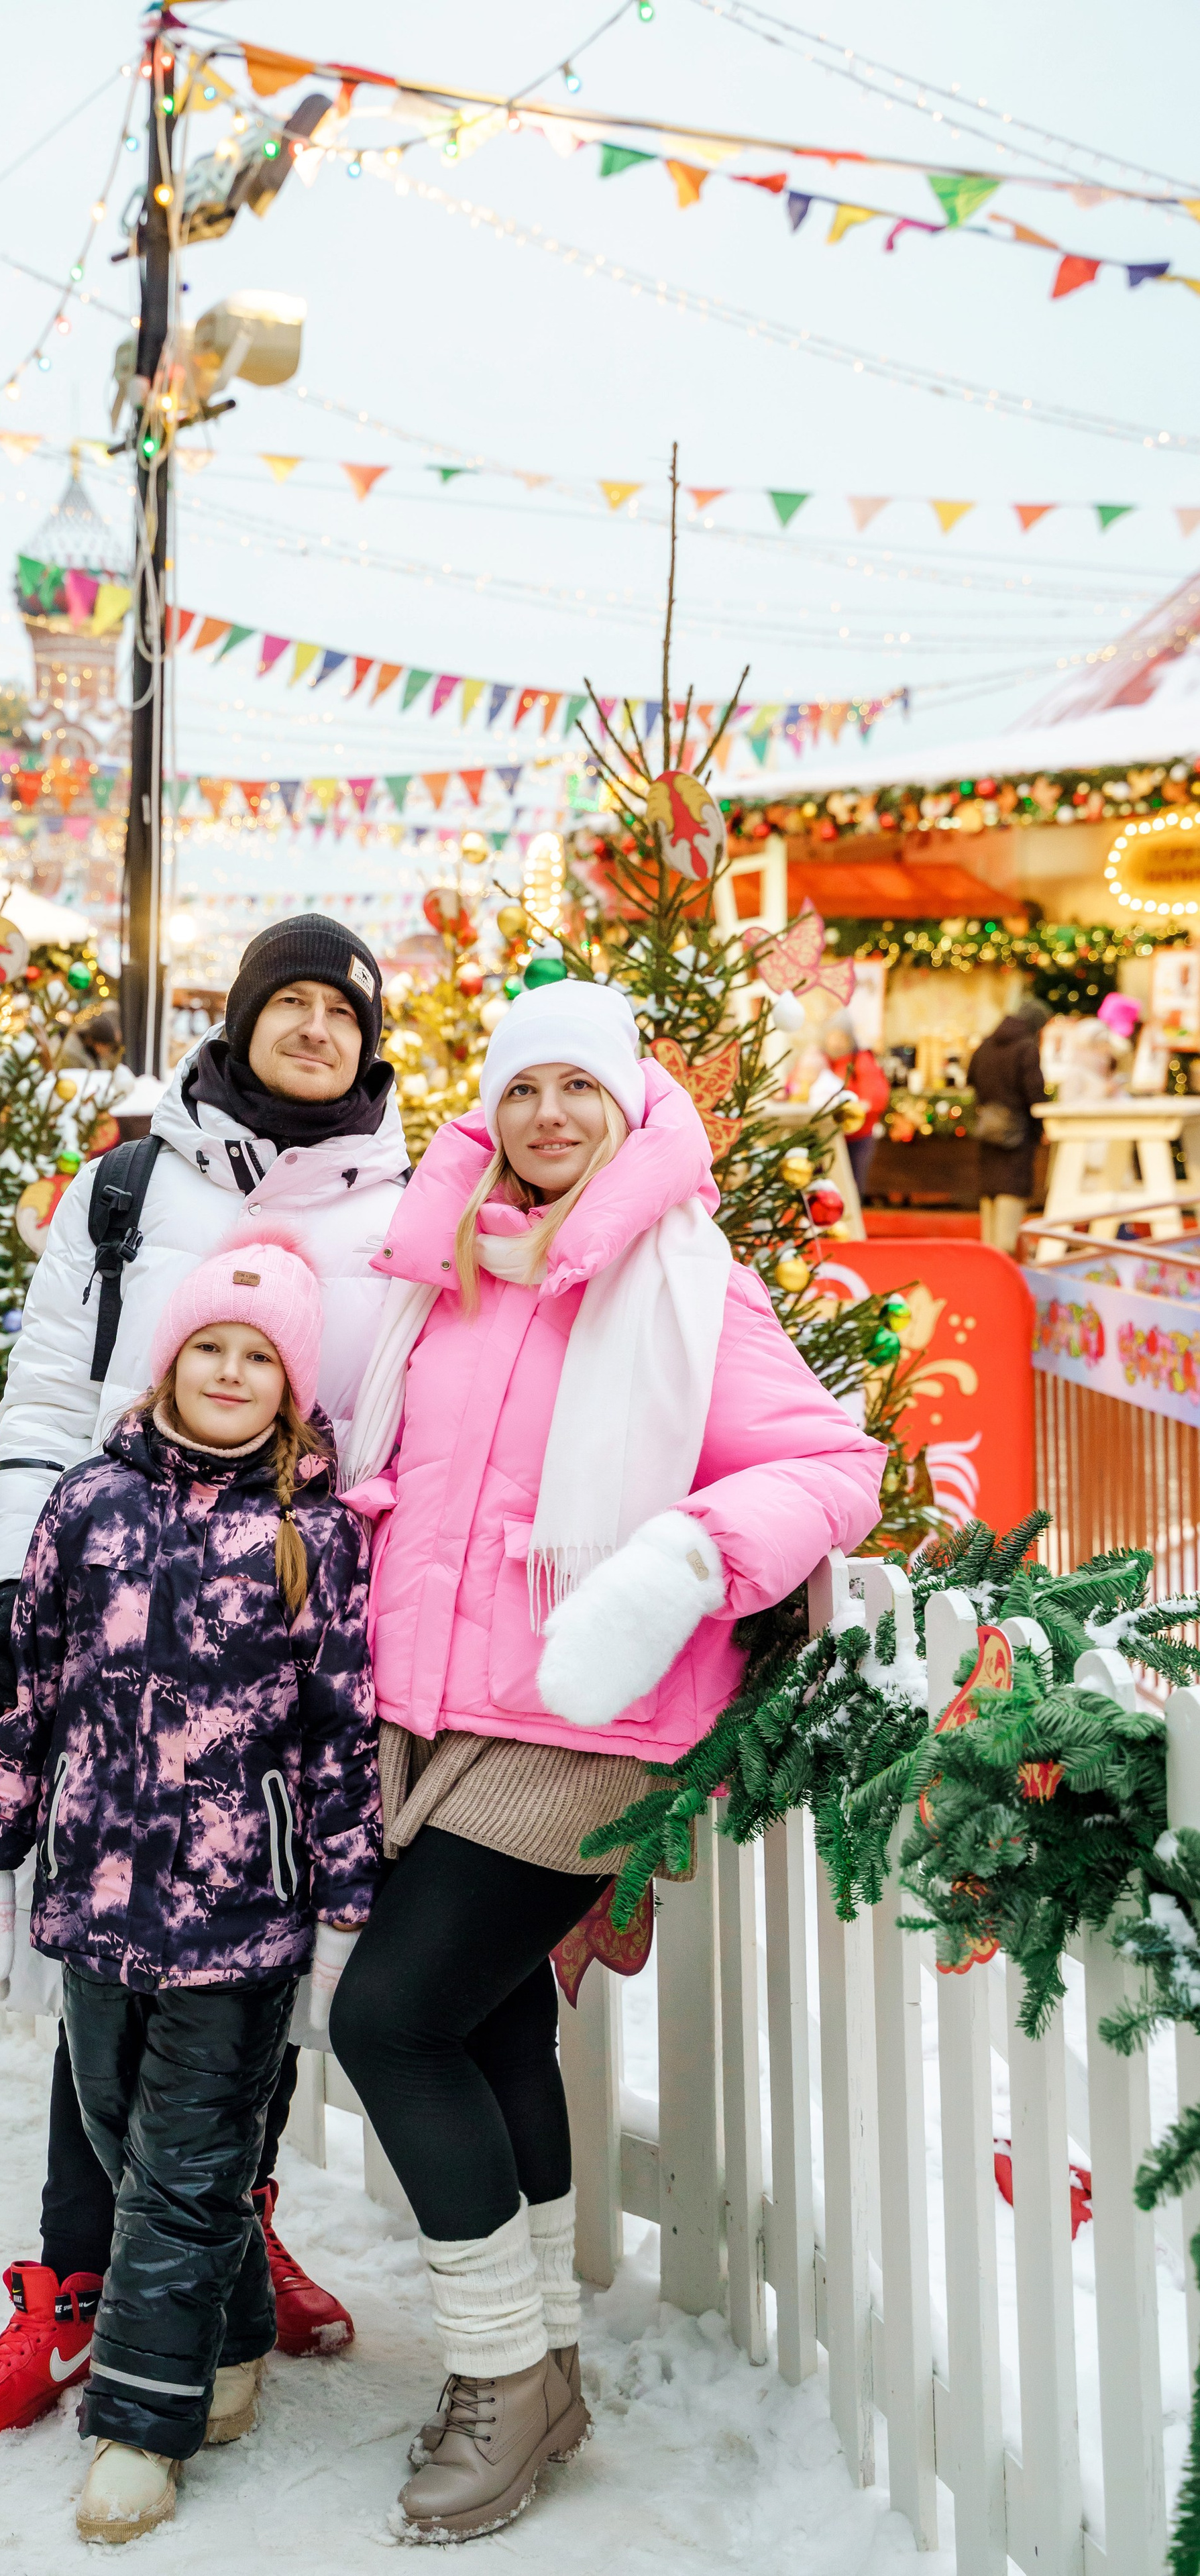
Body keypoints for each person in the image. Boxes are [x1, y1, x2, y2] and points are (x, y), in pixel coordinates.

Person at [328, 979, 885, 2544]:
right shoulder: (444, 1269)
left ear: (627, 1102)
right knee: (495, 2027)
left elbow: (834, 1462)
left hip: (589, 1720)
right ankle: (548, 2365)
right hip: (434, 1708)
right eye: (522, 1092)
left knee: (389, 2016)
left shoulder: (682, 1279)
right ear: (488, 1112)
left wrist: (683, 1559)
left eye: (579, 1088)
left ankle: (502, 2378)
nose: (548, 1118)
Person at [0, 914, 407, 2465]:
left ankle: (218, 2238)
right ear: (243, 1019)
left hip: (289, 1624)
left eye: (341, 1009)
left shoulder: (400, 1199)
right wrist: (14, 1579)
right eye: (290, 1003)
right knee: (104, 1963)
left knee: (242, 1968)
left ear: (365, 1038)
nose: (314, 1028)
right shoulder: (131, 1181)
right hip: (113, 1604)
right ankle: (73, 2283)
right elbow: (53, 1380)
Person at [0, 1235, 378, 2542]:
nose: (232, 1371)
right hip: (93, 1895)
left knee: (188, 2166)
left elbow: (339, 1730)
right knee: (122, 2128)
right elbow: (26, 1693)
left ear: (290, 1387)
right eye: (211, 1349)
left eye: (259, 1357)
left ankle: (143, 2421)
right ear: (169, 1364)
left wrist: (347, 1899)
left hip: (235, 1914)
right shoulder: (87, 1504)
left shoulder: (310, 1534)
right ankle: (233, 2334)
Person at [969, 996, 1050, 1256]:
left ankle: (990, 1260)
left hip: (988, 1129)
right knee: (1011, 1189)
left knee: (991, 1194)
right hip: (1017, 1134)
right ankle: (1003, 1259)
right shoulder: (1026, 1047)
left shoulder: (985, 1045)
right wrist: (1043, 1125)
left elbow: (972, 1079)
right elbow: (1035, 1093)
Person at [815, 1012, 890, 1199]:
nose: (836, 1042)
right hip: (825, 1134)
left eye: (842, 1037)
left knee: (851, 1188)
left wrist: (860, 1106)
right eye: (833, 1036)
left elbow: (876, 1095)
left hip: (857, 1136)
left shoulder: (861, 1061)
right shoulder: (821, 1061)